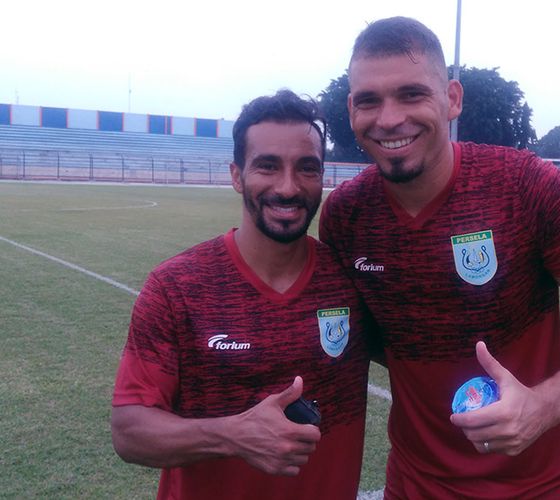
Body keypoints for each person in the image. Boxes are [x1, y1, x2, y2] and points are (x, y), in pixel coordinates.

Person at [319, 16, 560, 499]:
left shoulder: (527, 187)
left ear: (452, 98)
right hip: (417, 487)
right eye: (369, 100)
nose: (389, 118)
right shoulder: (346, 216)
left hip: (546, 486)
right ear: (351, 110)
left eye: (412, 94)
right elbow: (365, 340)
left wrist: (540, 407)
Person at [111, 90, 370, 500]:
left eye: (307, 168)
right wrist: (231, 435)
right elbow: (129, 432)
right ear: (236, 175)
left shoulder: (351, 281)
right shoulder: (175, 287)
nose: (288, 187)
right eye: (267, 166)